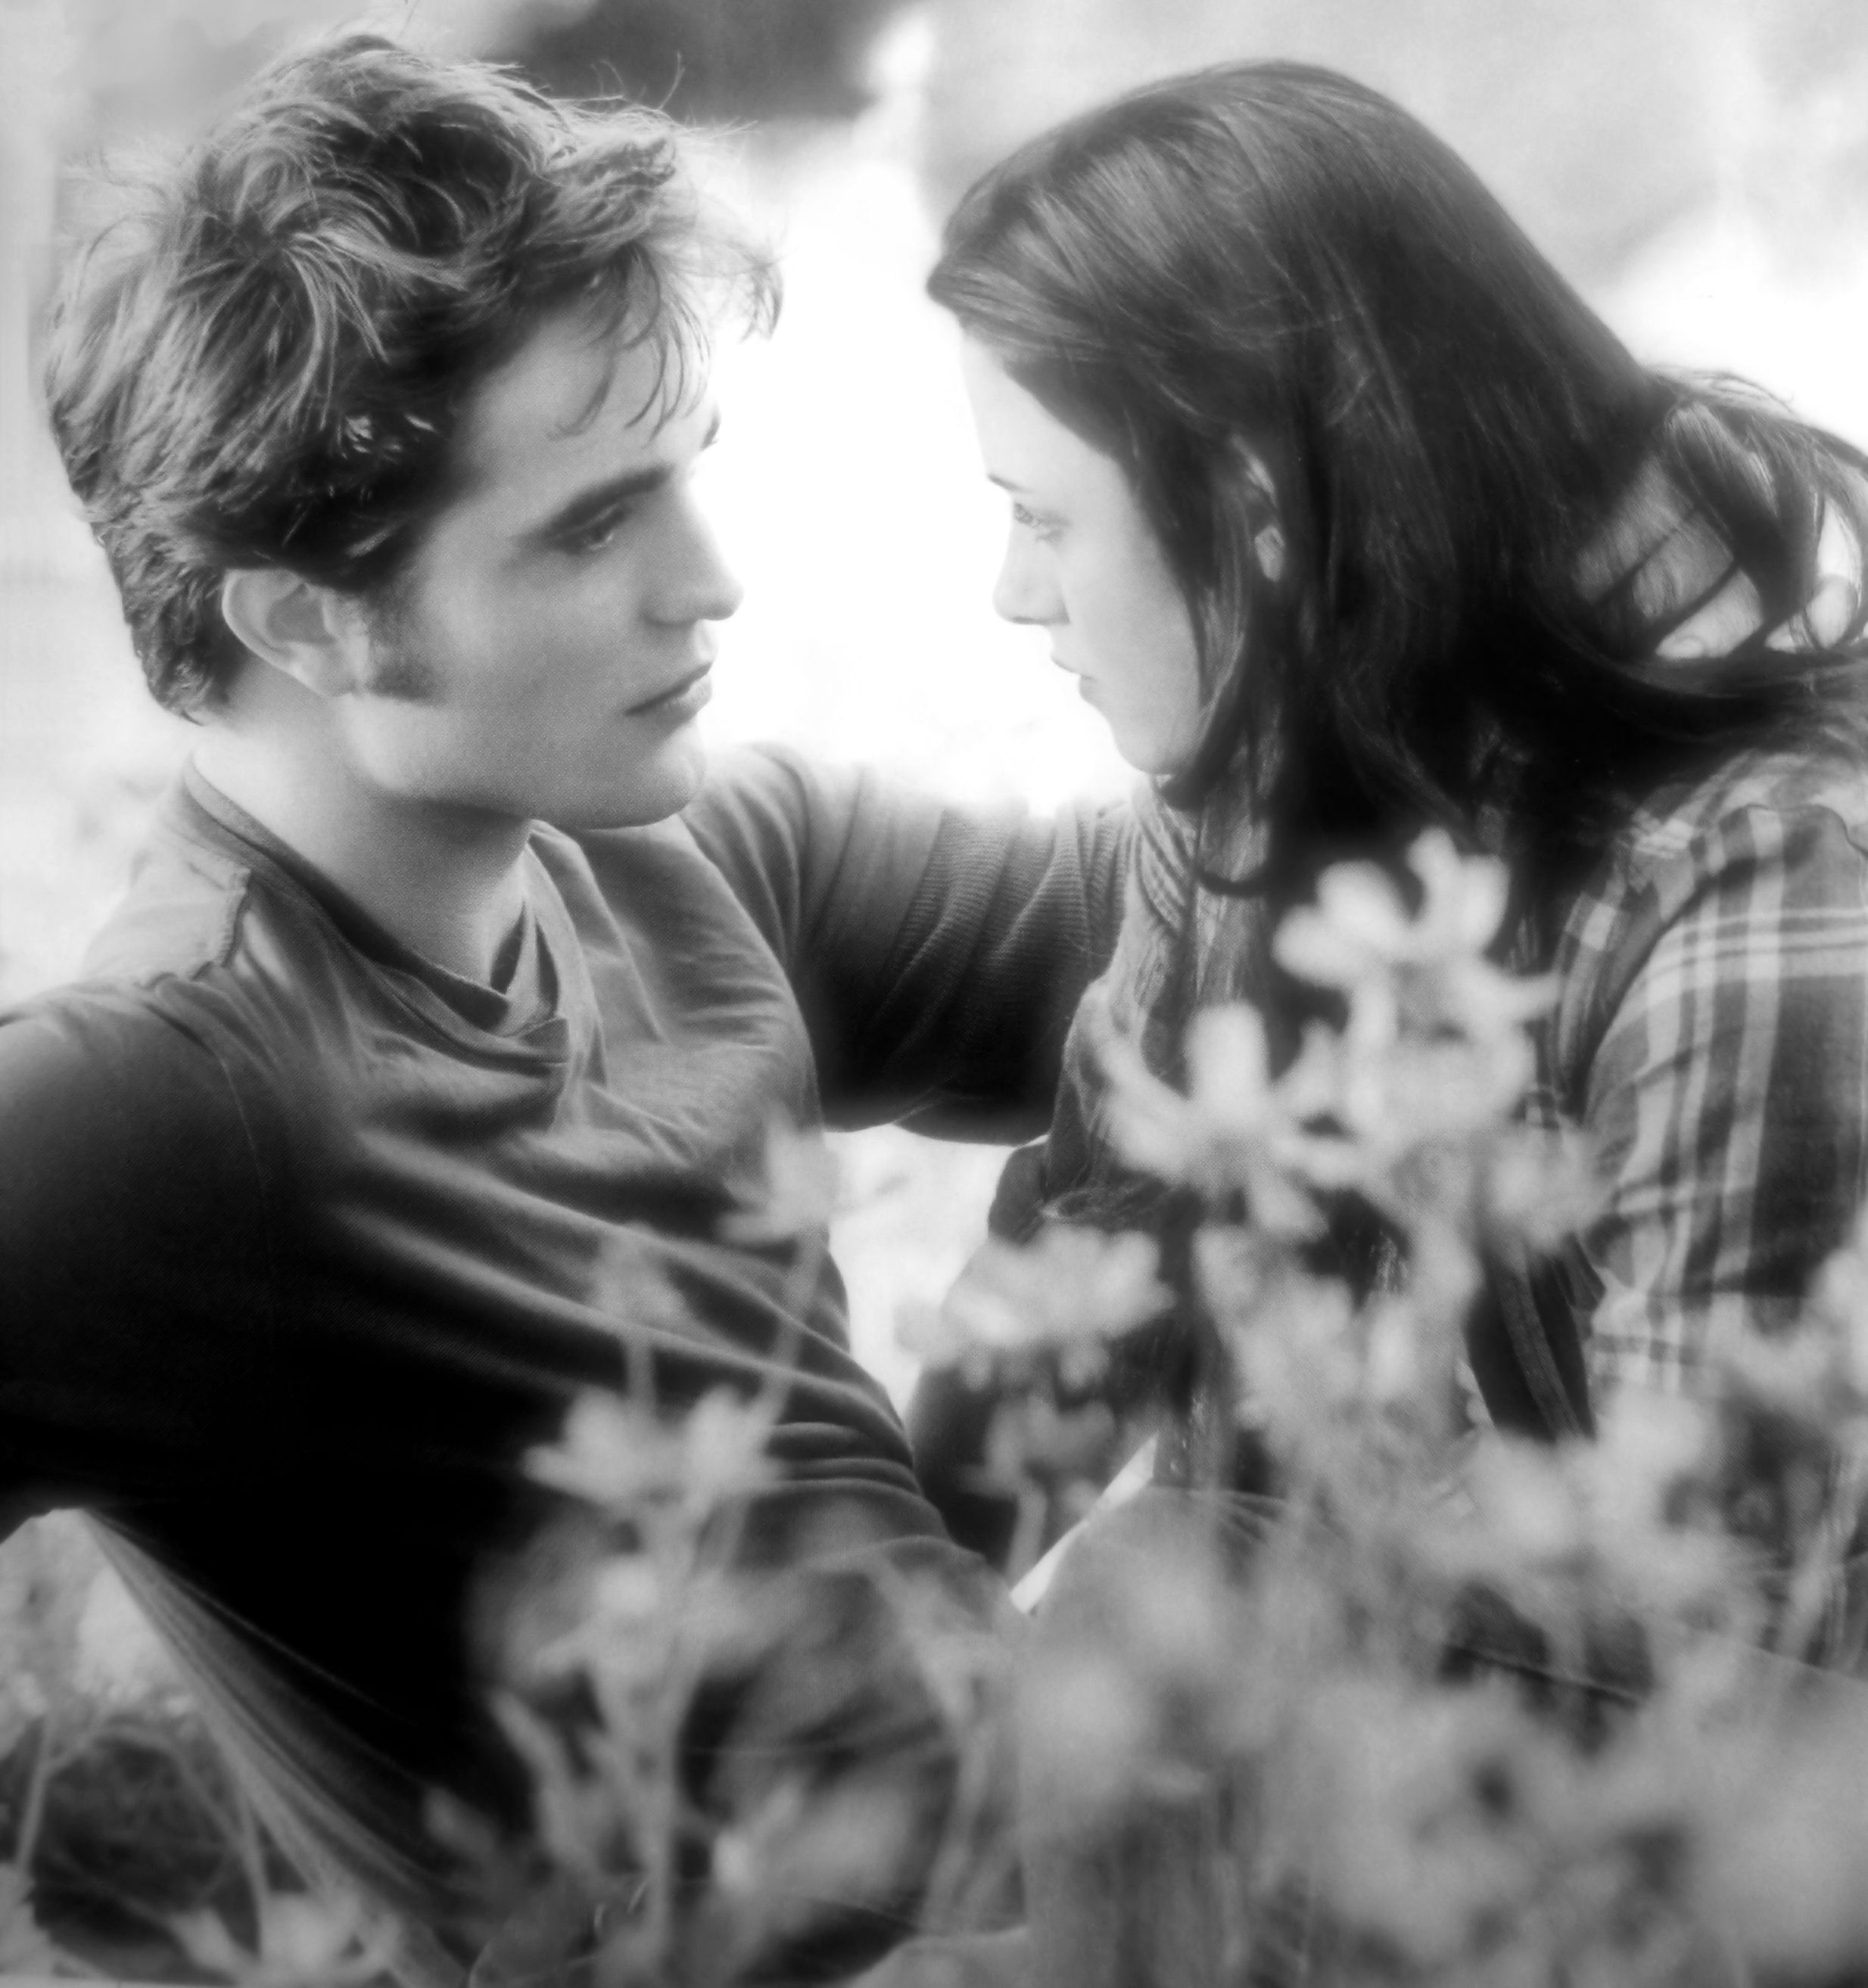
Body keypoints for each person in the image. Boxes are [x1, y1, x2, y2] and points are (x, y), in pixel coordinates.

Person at [1, 33, 1125, 1980]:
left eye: (681, 481)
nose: (710, 581)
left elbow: (1204, 908)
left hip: (1074, 1887)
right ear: (308, 616)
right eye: (592, 526)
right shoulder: (174, 1102)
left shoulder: (702, 854)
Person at [922, 57, 1868, 1463]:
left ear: (1254, 512)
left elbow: (1703, 1569)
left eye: (1043, 519)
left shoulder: (1754, 892)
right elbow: (1079, 1281)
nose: (1015, 593)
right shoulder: (1272, 753)